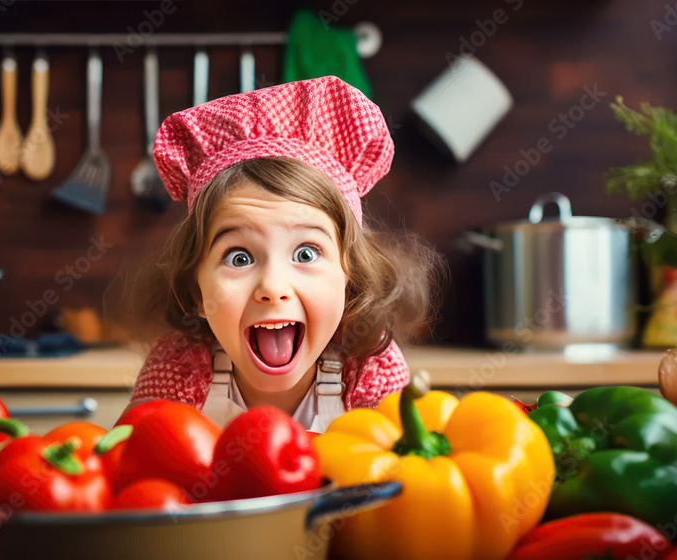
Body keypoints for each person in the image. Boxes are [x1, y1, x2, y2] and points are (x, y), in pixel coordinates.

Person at [123, 76, 443, 432]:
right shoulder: (177, 367)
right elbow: (131, 462)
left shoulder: (369, 367)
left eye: (306, 254)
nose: (273, 288)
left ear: (349, 275)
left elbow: (401, 473)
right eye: (239, 258)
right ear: (196, 291)